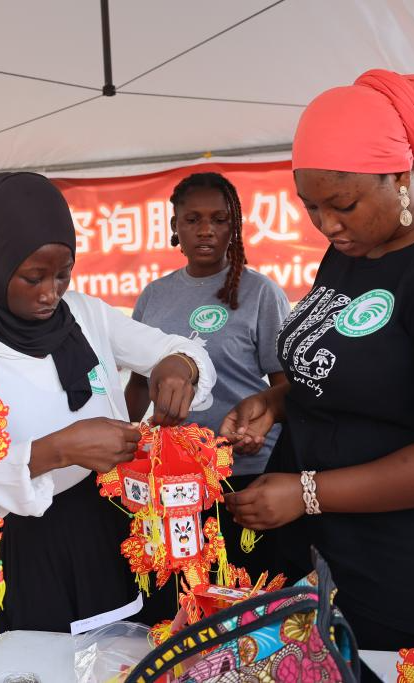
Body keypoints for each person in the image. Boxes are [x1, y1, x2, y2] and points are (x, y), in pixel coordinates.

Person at [222, 70, 414, 656]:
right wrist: (275, 401)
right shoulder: (351, 253)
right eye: (310, 207)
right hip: (322, 556)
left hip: (409, 574)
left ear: (399, 176)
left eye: (342, 204)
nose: (327, 225)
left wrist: (310, 492)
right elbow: (338, 371)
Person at [0, 172, 216, 633]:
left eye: (63, 274)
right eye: (32, 277)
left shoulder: (83, 313)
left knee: (122, 650)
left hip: (106, 524)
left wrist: (179, 367)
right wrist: (55, 452)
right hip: (17, 545)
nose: (50, 293)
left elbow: (183, 351)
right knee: (37, 657)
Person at [125, 172, 289, 577]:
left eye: (219, 220)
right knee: (181, 594)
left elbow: (285, 386)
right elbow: (138, 386)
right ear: (174, 228)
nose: (206, 230)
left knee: (245, 592)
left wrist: (259, 427)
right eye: (193, 219)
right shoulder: (154, 296)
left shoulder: (260, 293)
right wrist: (126, 438)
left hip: (245, 474)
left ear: (234, 227)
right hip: (174, 476)